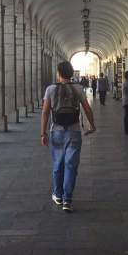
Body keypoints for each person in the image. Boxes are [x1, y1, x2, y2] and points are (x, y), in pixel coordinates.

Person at [41, 61, 96, 212]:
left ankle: (58, 194)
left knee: (58, 164)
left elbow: (45, 112)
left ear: (58, 73)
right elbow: (87, 109)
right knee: (71, 166)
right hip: (74, 131)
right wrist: (92, 126)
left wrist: (43, 133)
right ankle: (67, 200)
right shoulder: (77, 88)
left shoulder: (50, 89)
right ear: (71, 74)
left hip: (56, 132)